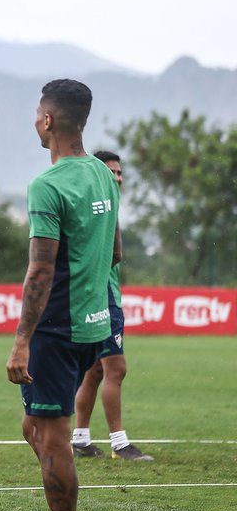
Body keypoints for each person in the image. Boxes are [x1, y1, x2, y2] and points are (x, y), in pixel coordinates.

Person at [5, 79, 118, 511]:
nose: (34, 119)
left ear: (49, 121)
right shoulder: (103, 175)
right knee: (34, 426)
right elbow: (113, 251)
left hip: (56, 329)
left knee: (51, 436)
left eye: (37, 112)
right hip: (94, 324)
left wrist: (21, 341)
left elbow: (41, 270)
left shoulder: (48, 185)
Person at [72, 151, 152, 461]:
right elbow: (111, 256)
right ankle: (120, 443)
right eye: (111, 173)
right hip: (102, 297)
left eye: (119, 173)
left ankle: (80, 438)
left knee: (94, 371)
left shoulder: (105, 207)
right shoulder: (100, 209)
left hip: (102, 294)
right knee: (116, 369)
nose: (117, 178)